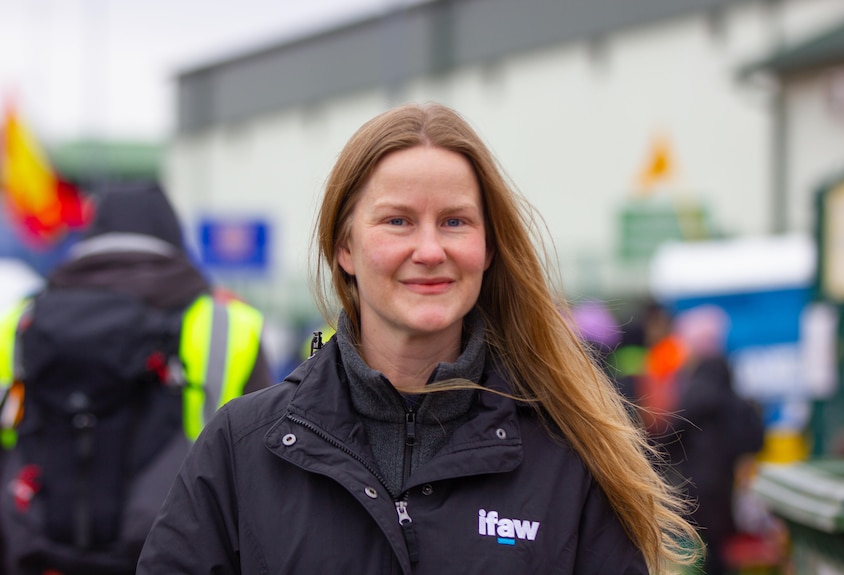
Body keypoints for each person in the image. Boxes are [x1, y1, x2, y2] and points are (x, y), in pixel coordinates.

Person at [138, 103, 702, 574]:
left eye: (455, 221)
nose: (430, 250)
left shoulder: (566, 454)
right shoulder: (243, 448)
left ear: (487, 248)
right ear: (345, 247)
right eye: (398, 221)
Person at [0, 182, 273, 574]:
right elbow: (263, 456)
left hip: (34, 548)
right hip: (173, 549)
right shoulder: (224, 323)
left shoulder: (21, 321)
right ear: (173, 236)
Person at [663, 305, 765, 575]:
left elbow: (670, 439)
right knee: (723, 549)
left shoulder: (692, 396)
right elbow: (754, 441)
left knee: (701, 550)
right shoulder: (737, 398)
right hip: (727, 488)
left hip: (694, 486)